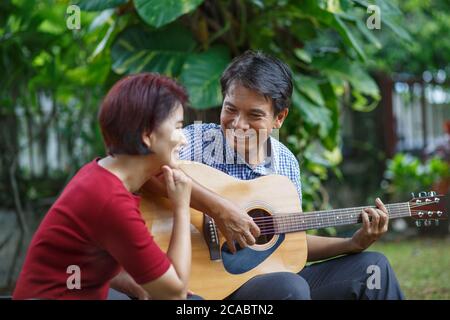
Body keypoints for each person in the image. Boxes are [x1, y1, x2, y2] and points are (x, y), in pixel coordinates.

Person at [147, 51, 404, 299]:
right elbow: (146, 170)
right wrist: (219, 209)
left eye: (254, 114)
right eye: (231, 109)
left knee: (374, 268)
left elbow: (287, 242)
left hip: (262, 284)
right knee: (290, 286)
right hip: (200, 286)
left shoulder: (285, 163)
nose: (238, 123)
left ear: (279, 118)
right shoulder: (193, 141)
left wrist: (352, 244)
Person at [13, 73, 193, 300]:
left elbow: (83, 259)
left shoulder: (99, 175)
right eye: (178, 127)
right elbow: (175, 295)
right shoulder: (110, 199)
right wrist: (181, 207)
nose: (184, 139)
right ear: (147, 135)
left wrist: (135, 283)